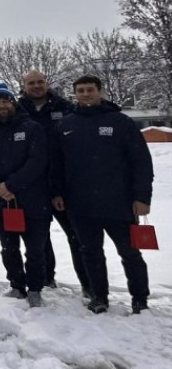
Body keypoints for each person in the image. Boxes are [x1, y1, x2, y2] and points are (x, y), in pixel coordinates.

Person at [51, 75, 154, 314]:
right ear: (75, 94)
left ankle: (140, 299)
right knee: (91, 254)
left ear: (100, 91)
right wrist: (57, 192)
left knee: (130, 253)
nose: (85, 94)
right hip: (80, 205)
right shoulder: (65, 125)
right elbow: (57, 164)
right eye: (80, 90)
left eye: (90, 89)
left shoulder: (120, 122)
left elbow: (141, 162)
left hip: (119, 203)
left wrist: (142, 197)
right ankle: (99, 297)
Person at [0, 84, 51, 307]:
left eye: (5, 101)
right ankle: (17, 285)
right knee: (9, 248)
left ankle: (35, 288)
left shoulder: (31, 128)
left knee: (35, 250)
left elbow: (38, 160)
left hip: (33, 199)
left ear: (13, 103)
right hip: (1, 201)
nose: (2, 106)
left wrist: (12, 184)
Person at [17, 69, 85, 294]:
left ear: (47, 83)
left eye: (40, 82)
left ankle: (88, 284)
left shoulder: (65, 107)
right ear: (24, 86)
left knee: (76, 236)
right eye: (31, 83)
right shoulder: (18, 109)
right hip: (32, 184)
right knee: (39, 237)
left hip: (64, 183)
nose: (36, 86)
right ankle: (46, 278)